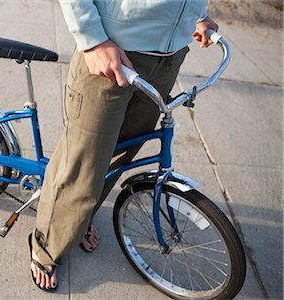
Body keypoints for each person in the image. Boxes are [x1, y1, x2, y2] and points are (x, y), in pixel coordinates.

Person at [28, 0, 219, 291]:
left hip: (168, 58)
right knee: (84, 159)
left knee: (122, 152)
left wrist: (196, 15)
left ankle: (79, 218)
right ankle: (46, 243)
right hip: (112, 49)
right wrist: (92, 39)